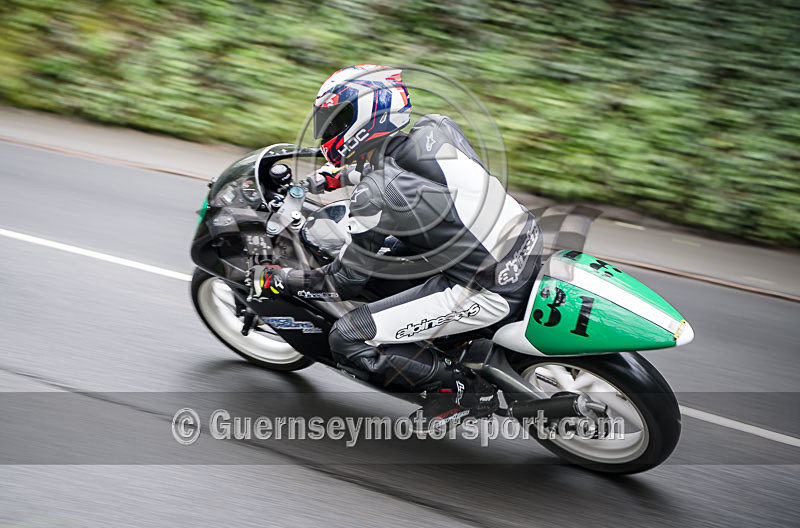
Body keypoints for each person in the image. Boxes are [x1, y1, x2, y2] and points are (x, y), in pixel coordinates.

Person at [250, 64, 542, 430]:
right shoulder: (437, 128)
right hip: (524, 240)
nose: (327, 131)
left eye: (335, 121)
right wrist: (337, 177)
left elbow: (342, 283)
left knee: (348, 336)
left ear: (364, 119)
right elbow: (411, 173)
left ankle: (465, 393)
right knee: (395, 258)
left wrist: (279, 279)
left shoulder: (372, 197)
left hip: (489, 288)